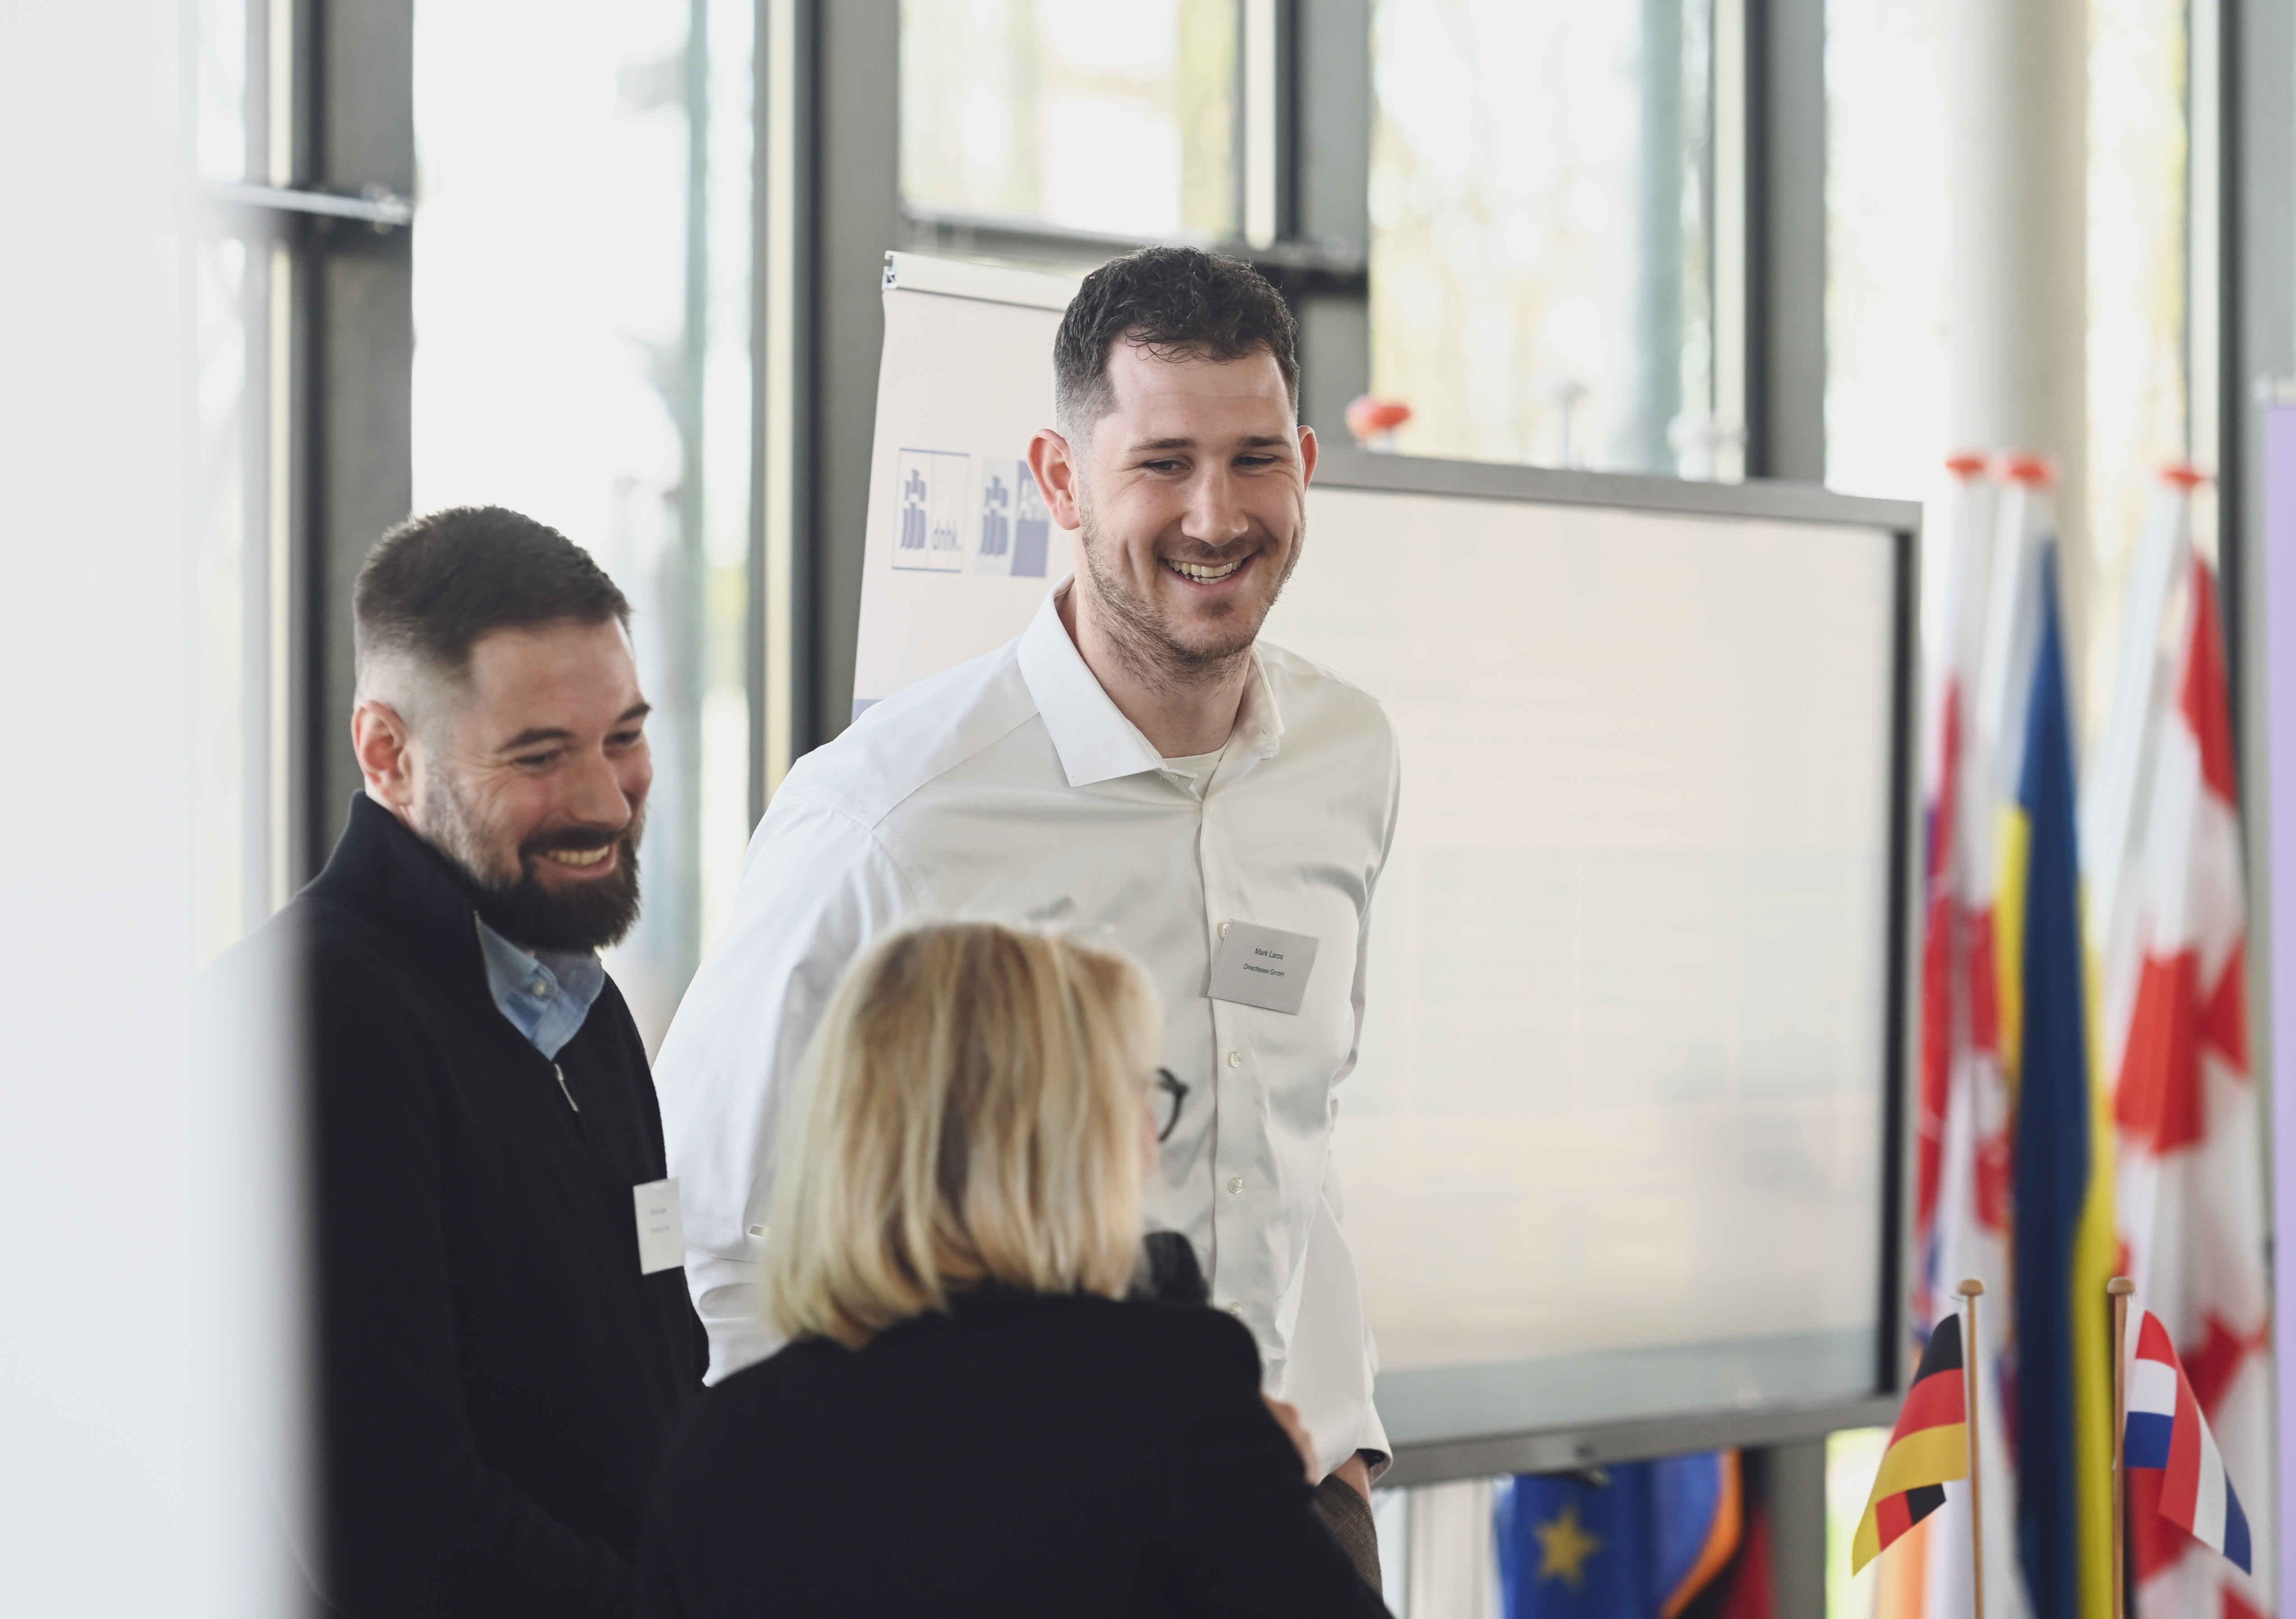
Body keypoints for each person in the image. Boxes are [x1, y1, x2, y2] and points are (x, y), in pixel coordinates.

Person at [655, 245, 1399, 1582]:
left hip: (1289, 1499)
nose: (1216, 514)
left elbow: (1295, 1125)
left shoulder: (1346, 755)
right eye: (1161, 463)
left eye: (1253, 459)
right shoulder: (885, 812)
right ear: (1059, 480)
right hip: (995, 1543)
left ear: (1303, 463)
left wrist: (1340, 1443)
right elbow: (716, 1215)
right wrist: (823, 1515)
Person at [638, 922, 1391, 1618]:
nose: (1153, 1142)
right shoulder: (1170, 1397)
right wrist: (1261, 1481)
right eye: (1140, 1095)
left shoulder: (723, 1445)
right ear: (1067, 1142)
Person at [234, 506, 703, 1616]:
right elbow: (391, 1522)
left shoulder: (580, 1002)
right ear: (387, 755)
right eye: (539, 756)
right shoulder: (310, 1024)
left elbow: (656, 1368)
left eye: (623, 738)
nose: (605, 801)